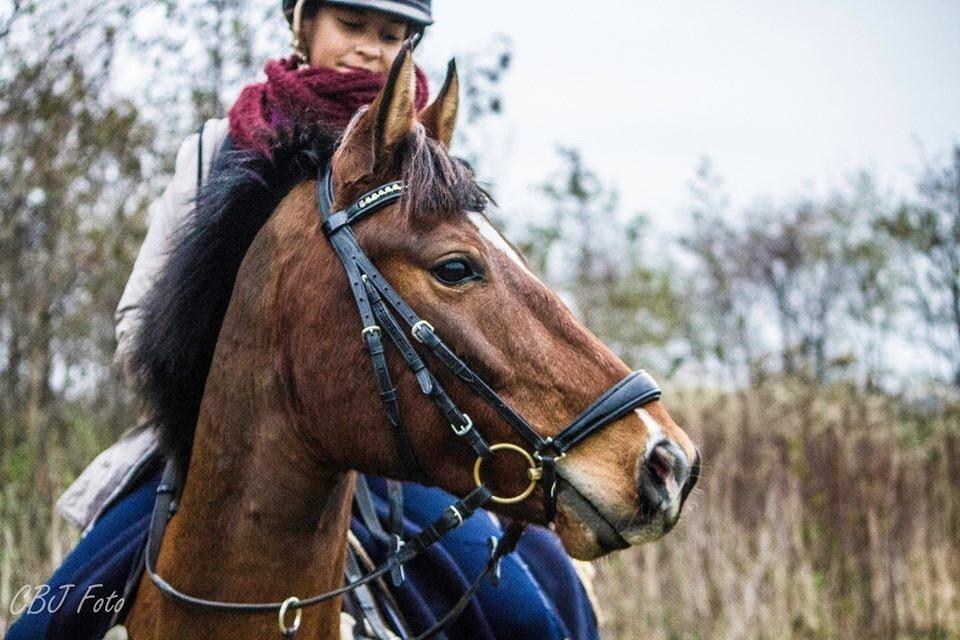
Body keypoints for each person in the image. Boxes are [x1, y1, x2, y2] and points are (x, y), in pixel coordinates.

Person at [5, 2, 600, 638]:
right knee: (46, 622)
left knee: (535, 618)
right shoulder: (218, 148)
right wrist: (239, 404)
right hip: (214, 452)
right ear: (304, 23)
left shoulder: (421, 165)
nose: (372, 49)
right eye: (352, 26)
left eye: (392, 35)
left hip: (388, 460)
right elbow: (137, 322)